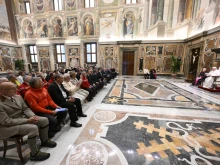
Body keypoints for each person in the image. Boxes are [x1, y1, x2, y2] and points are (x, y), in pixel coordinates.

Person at [0, 82, 56, 161]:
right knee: (32, 128)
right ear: (3, 91)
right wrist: (27, 120)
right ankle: (34, 154)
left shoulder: (17, 97)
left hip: (21, 119)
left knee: (44, 120)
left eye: (15, 87)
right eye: (12, 88)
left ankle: (45, 140)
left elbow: (26, 109)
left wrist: (32, 116)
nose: (16, 89)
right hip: (8, 127)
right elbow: (6, 121)